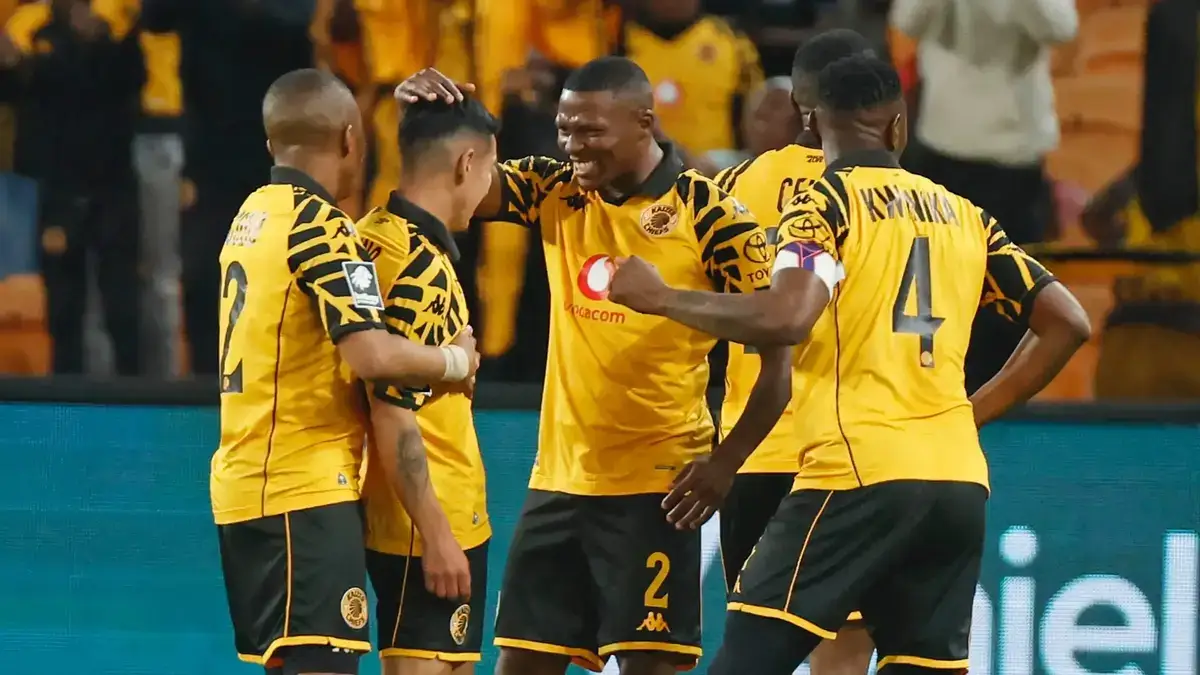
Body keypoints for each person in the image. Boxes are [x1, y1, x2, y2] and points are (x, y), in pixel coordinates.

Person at [606, 54, 1091, 674]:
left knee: (748, 656)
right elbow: (1067, 322)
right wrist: (967, 416)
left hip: (856, 471)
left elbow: (788, 315)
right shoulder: (966, 215)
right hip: (957, 481)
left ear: (811, 124)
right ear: (898, 125)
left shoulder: (823, 206)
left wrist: (664, 299)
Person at [395, 56, 792, 675]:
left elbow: (778, 354)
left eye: (591, 131)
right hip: (558, 480)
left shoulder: (713, 217)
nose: (574, 146)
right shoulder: (555, 190)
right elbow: (458, 180)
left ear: (643, 123)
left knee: (650, 667)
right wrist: (436, 119)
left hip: (656, 489)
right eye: (565, 129)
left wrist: (725, 463)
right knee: (519, 664)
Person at [211, 68, 480, 675]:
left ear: (272, 142)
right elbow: (372, 355)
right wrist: (455, 360)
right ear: (350, 140)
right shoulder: (321, 225)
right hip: (303, 488)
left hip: (245, 482)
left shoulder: (251, 215)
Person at [710, 28, 878, 675]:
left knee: (757, 650)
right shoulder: (892, 196)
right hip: (849, 456)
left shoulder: (728, 186)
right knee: (845, 650)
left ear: (798, 104)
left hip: (754, 449)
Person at [356, 94, 499, 675]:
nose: (488, 188)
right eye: (490, 170)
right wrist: (437, 535)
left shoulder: (371, 236)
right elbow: (392, 410)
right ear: (466, 164)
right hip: (427, 525)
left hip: (409, 518)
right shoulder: (420, 271)